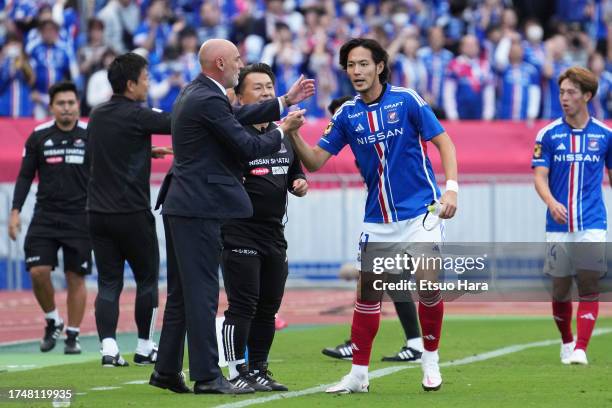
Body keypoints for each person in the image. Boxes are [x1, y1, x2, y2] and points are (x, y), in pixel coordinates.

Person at [285, 38, 458, 394]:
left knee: (426, 286)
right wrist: (295, 134)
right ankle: (358, 376)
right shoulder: (347, 113)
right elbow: (315, 161)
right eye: (350, 65)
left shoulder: (407, 100)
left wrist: (452, 188)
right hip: (376, 219)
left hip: (421, 214)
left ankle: (430, 360)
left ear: (379, 66)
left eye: (363, 64)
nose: (356, 71)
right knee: (367, 295)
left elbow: (444, 142)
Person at [150, 38, 314, 395]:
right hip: (198, 207)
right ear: (221, 63)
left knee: (181, 293)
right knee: (202, 293)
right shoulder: (208, 97)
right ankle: (208, 376)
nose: (241, 65)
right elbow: (249, 145)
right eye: (238, 60)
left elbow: (238, 115)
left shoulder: (197, 92)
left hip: (184, 204)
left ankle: (165, 370)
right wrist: (281, 130)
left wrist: (282, 101)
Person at [220, 63, 308, 392]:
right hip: (238, 231)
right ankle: (233, 371)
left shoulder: (283, 134)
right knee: (242, 305)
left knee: (269, 306)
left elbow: (295, 173)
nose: (266, 93)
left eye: (269, 86)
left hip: (274, 234)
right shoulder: (234, 135)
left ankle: (258, 369)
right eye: (258, 87)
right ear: (239, 97)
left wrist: (299, 182)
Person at [321, 96, 424, 364]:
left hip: (402, 217)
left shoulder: (378, 136)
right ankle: (413, 345)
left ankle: (364, 345)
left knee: (382, 281)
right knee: (393, 281)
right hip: (385, 217)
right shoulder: (361, 144)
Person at [87, 52, 173, 367]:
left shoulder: (96, 115)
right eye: (146, 79)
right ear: (130, 84)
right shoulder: (139, 115)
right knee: (147, 280)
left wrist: (145, 150)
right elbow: (179, 122)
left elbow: (108, 150)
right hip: (132, 213)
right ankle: (144, 345)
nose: (148, 84)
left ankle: (108, 348)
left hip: (97, 213)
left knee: (109, 282)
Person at [532, 66, 611, 366]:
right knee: (560, 288)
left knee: (589, 284)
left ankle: (581, 347)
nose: (564, 98)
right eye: (562, 92)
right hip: (558, 223)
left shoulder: (605, 135)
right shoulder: (548, 134)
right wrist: (551, 201)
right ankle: (566, 340)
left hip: (592, 221)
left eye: (571, 92)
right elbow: (540, 176)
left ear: (587, 96)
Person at [8, 81, 89, 355]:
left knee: (75, 276)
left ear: (78, 105)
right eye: (61, 103)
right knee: (38, 272)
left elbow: (117, 157)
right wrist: (15, 212)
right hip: (46, 216)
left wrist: (147, 152)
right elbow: (24, 176)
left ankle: (73, 336)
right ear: (52, 107)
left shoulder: (92, 134)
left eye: (70, 103)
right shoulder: (38, 136)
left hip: (80, 217)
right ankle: (53, 319)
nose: (66, 108)